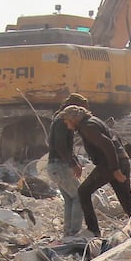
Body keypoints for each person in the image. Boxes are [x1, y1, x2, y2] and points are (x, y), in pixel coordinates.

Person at [60, 105, 131, 237]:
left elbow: (107, 145)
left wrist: (115, 169)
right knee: (126, 198)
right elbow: (115, 137)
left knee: (83, 192)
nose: (66, 124)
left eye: (66, 120)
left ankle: (93, 230)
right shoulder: (95, 121)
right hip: (121, 160)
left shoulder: (88, 126)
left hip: (109, 164)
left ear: (74, 118)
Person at [46, 93, 90, 236]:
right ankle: (73, 232)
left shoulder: (59, 119)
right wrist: (73, 163)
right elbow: (61, 146)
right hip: (60, 165)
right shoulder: (62, 122)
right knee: (80, 196)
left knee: (70, 199)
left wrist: (75, 161)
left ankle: (68, 232)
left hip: (56, 166)